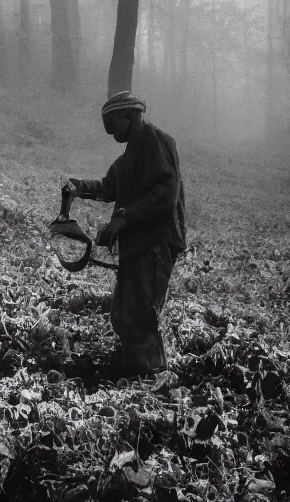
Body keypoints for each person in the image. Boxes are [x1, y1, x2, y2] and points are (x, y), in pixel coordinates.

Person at [64, 90, 186, 377]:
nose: (111, 134)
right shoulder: (129, 156)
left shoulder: (156, 142)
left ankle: (150, 372)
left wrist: (123, 220)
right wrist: (77, 187)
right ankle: (133, 366)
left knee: (142, 311)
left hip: (156, 242)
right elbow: (108, 188)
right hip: (136, 245)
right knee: (123, 312)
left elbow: (167, 193)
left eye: (113, 126)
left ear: (129, 117)